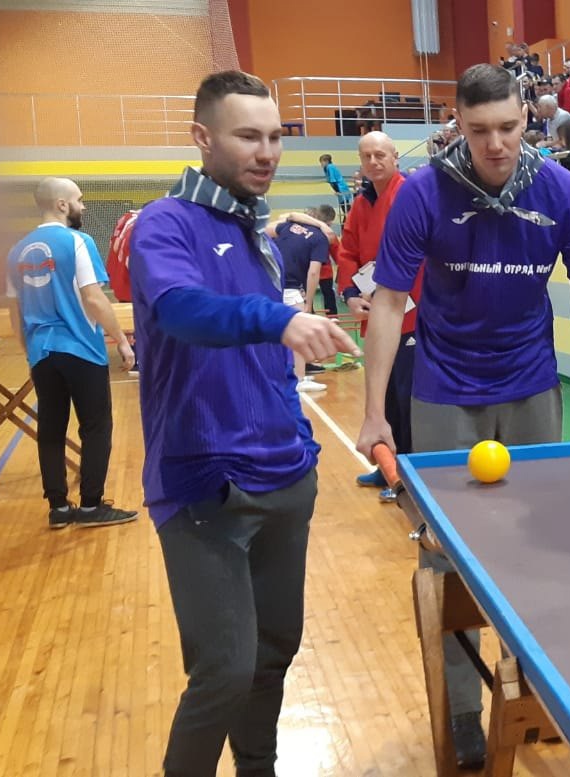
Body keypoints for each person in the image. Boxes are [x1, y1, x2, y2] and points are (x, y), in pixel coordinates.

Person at [355, 63, 570, 769]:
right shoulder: (423, 194)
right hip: (444, 390)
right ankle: (462, 710)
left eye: (508, 127)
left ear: (527, 119)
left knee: (544, 549)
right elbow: (388, 304)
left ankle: (535, 692)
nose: (495, 144)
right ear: (457, 123)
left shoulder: (562, 192)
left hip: (531, 386)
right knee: (446, 558)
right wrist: (374, 414)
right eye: (479, 129)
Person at [129, 70, 359, 777]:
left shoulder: (258, 230)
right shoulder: (165, 223)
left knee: (272, 653)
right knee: (223, 671)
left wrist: (299, 437)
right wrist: (278, 319)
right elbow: (181, 309)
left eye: (275, 137)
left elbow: (264, 358)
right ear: (202, 138)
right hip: (203, 484)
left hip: (285, 476)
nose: (267, 153)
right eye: (248, 137)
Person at [5, 176, 139, 529]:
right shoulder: (78, 241)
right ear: (62, 204)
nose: (84, 205)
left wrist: (29, 351)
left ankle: (58, 508)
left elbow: (15, 313)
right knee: (95, 426)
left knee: (51, 428)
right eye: (79, 200)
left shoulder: (16, 251)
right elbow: (93, 298)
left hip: (41, 351)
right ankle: (92, 506)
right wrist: (122, 340)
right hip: (80, 347)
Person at [336, 131, 424, 503]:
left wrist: (391, 292)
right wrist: (351, 295)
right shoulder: (361, 203)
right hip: (374, 314)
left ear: (395, 157)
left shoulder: (409, 194)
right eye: (366, 156)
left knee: (406, 395)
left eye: (380, 155)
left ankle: (409, 472)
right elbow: (347, 251)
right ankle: (385, 461)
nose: (373, 162)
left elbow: (420, 254)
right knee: (381, 392)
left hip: (410, 313)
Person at [268, 210, 330, 392]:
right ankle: (300, 379)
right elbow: (313, 272)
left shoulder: (288, 226)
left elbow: (267, 229)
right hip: (292, 287)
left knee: (277, 332)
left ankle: (285, 373)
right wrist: (308, 303)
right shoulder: (320, 238)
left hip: (272, 284)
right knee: (299, 335)